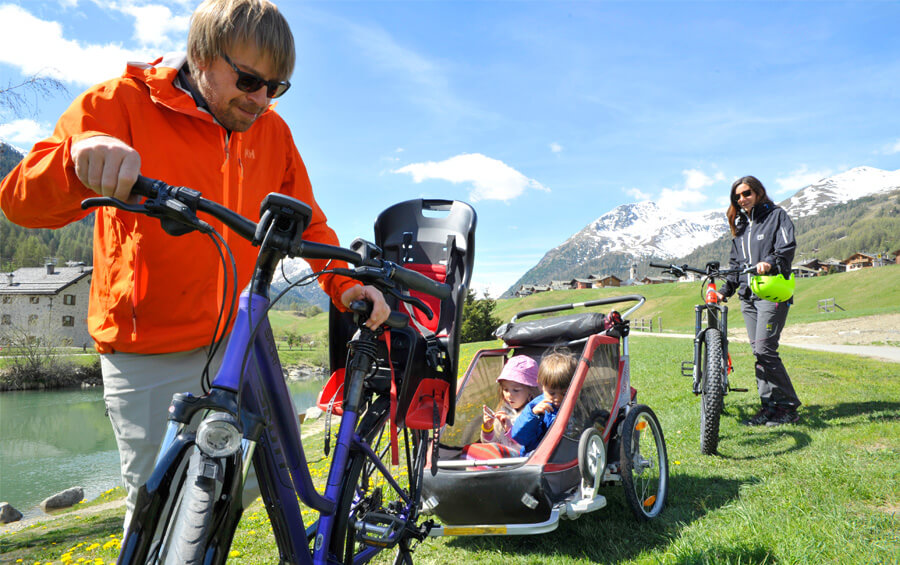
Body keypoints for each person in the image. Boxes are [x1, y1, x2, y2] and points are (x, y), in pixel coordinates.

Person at [0, 0, 390, 527]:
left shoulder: (271, 132)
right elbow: (19, 201)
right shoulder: (120, 103)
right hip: (148, 350)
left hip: (240, 342)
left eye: (276, 88)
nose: (261, 100)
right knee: (157, 514)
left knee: (254, 480)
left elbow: (309, 224)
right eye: (250, 80)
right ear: (202, 54)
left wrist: (345, 286)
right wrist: (76, 157)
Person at [717, 175, 801, 426]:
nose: (742, 199)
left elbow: (786, 247)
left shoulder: (776, 216)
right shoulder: (741, 227)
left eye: (747, 194)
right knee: (759, 351)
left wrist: (770, 263)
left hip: (771, 292)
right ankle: (769, 407)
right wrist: (725, 290)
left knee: (765, 349)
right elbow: (736, 265)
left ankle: (788, 407)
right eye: (738, 196)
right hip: (748, 297)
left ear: (758, 193)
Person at [510, 350, 577, 453]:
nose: (558, 398)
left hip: (569, 454)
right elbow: (519, 437)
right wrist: (533, 416)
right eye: (552, 393)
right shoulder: (536, 407)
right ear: (541, 386)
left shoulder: (577, 403)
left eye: (564, 393)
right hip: (539, 456)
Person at [480, 355, 540, 450]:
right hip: (500, 459)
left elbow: (531, 446)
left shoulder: (535, 415)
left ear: (530, 391)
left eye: (515, 390)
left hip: (521, 461)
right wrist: (488, 429)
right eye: (505, 389)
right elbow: (491, 444)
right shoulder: (504, 410)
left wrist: (510, 430)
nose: (509, 395)